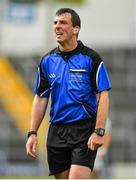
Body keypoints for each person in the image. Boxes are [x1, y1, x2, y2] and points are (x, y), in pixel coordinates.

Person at [26, 8, 111, 179]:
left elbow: (103, 95)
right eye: (55, 23)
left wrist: (99, 131)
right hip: (57, 131)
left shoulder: (91, 58)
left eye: (63, 22)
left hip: (84, 131)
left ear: (76, 29)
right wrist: (32, 133)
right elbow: (41, 97)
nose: (57, 26)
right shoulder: (47, 61)